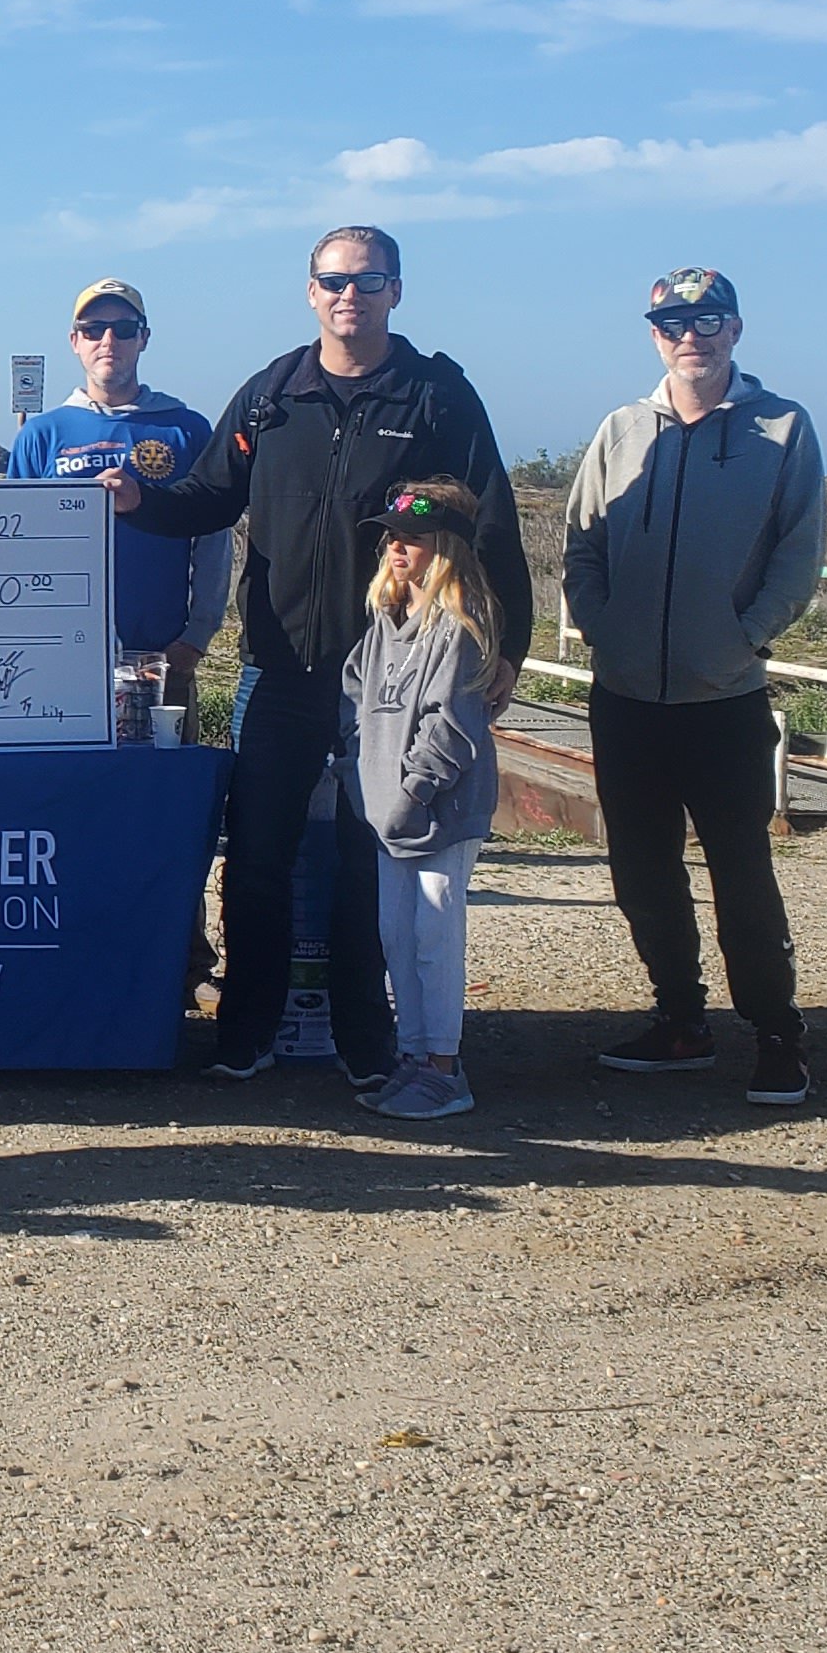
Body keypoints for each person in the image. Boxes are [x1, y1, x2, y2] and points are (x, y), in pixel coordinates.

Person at [118, 226, 532, 1085]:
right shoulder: (274, 394)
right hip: (279, 667)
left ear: (396, 292)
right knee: (258, 854)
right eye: (335, 281)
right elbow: (207, 498)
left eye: (370, 281)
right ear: (311, 292)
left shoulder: (437, 397)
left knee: (366, 855)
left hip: (390, 674)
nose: (352, 296)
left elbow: (490, 521)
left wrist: (509, 646)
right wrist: (135, 502)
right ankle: (246, 1029)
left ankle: (363, 1038)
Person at [561, 266, 827, 1110]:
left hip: (725, 697)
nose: (692, 337)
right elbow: (581, 542)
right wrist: (604, 628)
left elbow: (798, 551)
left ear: (736, 330)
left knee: (741, 869)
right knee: (641, 868)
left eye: (708, 320)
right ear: (654, 336)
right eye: (674, 324)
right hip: (628, 694)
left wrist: (743, 637)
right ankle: (679, 1019)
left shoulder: (782, 428)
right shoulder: (622, 428)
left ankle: (776, 1032)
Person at [345, 483, 506, 1124]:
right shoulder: (383, 626)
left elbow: (454, 724)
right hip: (385, 811)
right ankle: (411, 1056)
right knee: (395, 936)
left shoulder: (459, 628)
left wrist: (415, 789)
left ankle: (444, 1066)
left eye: (410, 537)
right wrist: (355, 773)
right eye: (391, 536)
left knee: (435, 935)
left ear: (443, 548)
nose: (395, 546)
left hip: (440, 810)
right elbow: (354, 700)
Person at [5, 278, 231, 704]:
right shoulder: (40, 435)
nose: (108, 341)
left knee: (166, 770)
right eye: (93, 329)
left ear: (143, 338)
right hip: (63, 657)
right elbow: (16, 548)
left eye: (124, 329)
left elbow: (214, 540)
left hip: (162, 657)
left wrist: (197, 637)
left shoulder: (187, 428)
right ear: (75, 340)